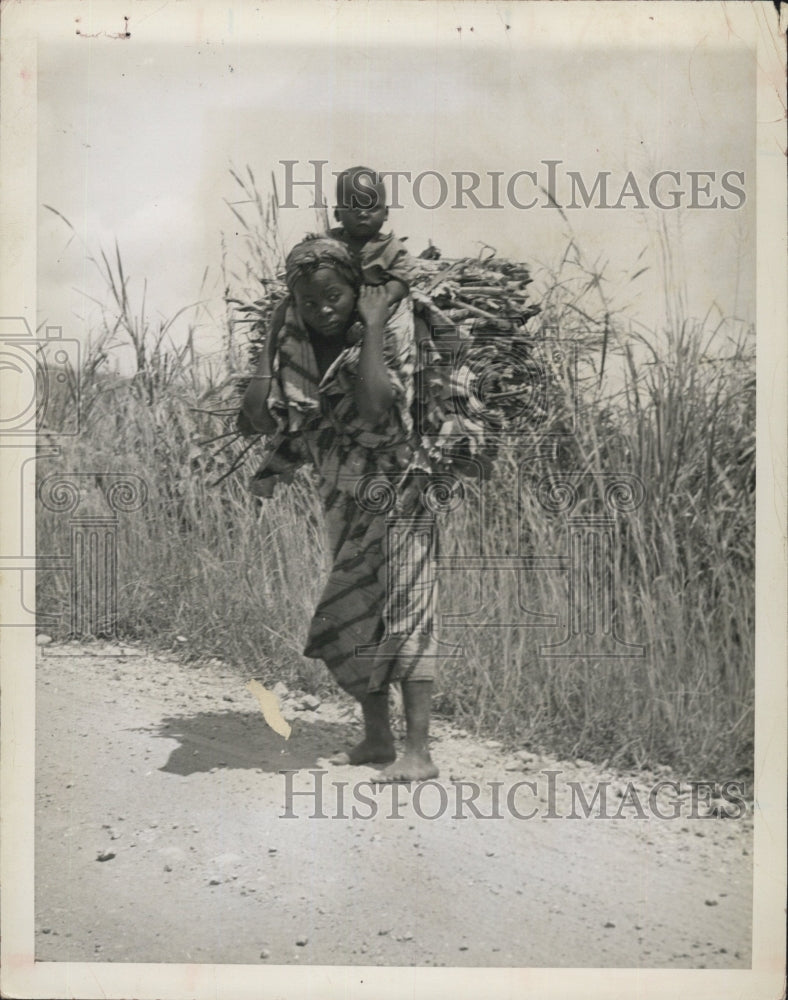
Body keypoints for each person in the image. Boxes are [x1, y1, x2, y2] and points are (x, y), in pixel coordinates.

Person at [240, 235, 445, 782]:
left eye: (333, 295)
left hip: (401, 489)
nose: (322, 308)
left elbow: (377, 409)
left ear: (358, 290)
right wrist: (269, 340)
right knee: (357, 611)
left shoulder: (390, 331)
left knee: (409, 609)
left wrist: (374, 325)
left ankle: (419, 751)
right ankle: (378, 738)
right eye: (308, 301)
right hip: (341, 496)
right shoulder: (297, 348)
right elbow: (257, 419)